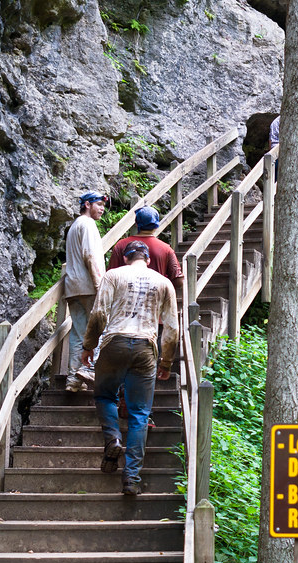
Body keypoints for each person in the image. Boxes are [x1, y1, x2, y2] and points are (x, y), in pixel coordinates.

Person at [80, 240, 179, 495]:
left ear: (126, 258)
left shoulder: (113, 275)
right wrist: (166, 362)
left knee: (104, 395)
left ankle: (113, 438)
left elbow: (99, 314)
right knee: (139, 414)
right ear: (147, 259)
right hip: (146, 348)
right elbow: (172, 328)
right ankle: (131, 479)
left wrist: (89, 345)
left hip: (115, 343)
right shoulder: (164, 283)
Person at [64, 191, 107, 392]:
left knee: (78, 333)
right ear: (87, 204)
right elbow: (91, 256)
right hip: (89, 286)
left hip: (73, 287)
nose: (102, 209)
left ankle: (73, 380)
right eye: (99, 204)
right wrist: (99, 284)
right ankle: (88, 369)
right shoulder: (88, 225)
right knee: (99, 328)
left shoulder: (74, 226)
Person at [108, 206, 183, 288]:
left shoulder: (121, 245)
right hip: (154, 296)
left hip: (125, 298)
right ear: (156, 225)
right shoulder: (166, 249)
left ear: (136, 224)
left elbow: (110, 276)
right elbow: (178, 280)